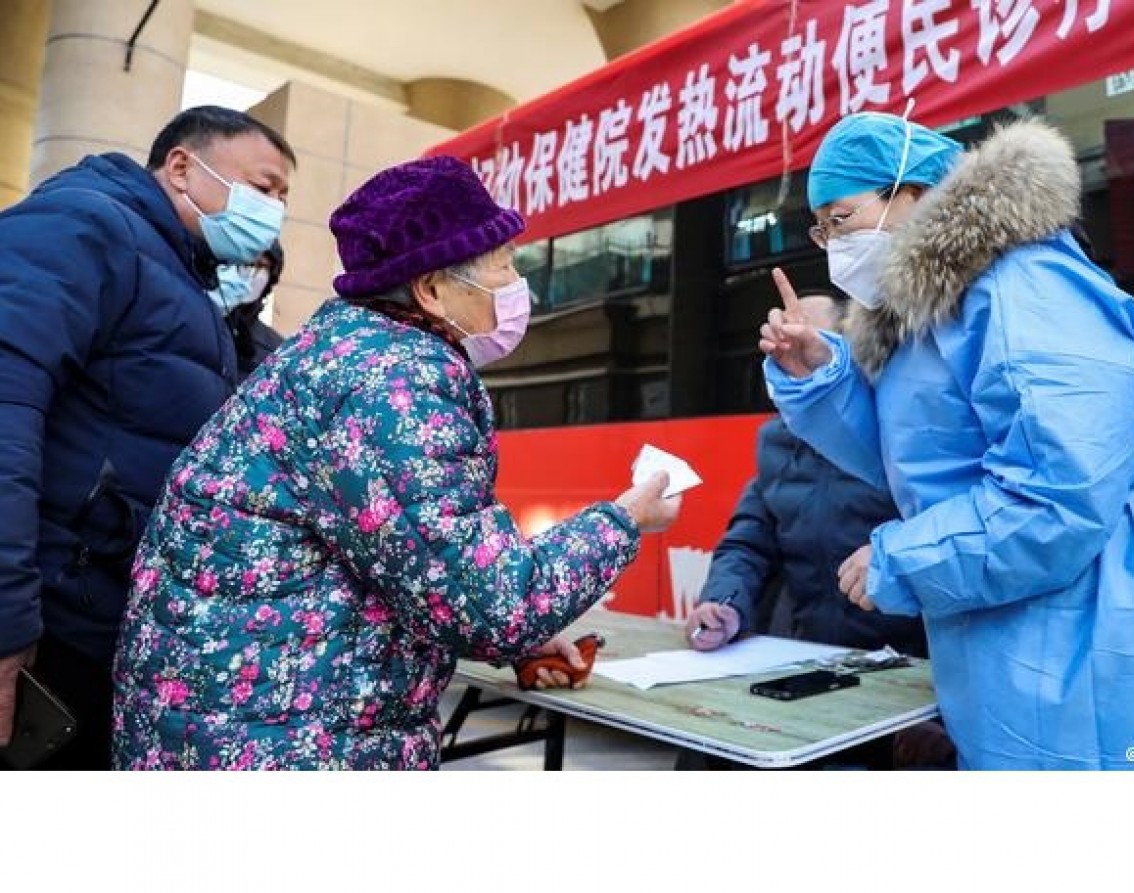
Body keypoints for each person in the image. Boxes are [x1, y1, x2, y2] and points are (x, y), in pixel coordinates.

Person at [111, 156, 681, 770]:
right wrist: (624, 520)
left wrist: (514, 639)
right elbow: (493, 604)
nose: (520, 288)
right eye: (505, 266)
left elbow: (412, 568)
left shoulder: (344, 354)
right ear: (431, 289)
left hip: (240, 727)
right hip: (285, 744)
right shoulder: (394, 383)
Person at [758, 111, 1134, 770]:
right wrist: (823, 377)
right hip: (1025, 620)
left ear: (910, 193)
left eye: (841, 219)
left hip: (1104, 622)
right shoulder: (933, 310)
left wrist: (905, 562)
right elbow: (913, 460)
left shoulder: (1025, 287)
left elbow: (1060, 497)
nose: (831, 244)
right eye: (821, 228)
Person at [0, 105, 295, 769]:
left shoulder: (183, 279)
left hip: (102, 623)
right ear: (183, 167)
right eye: (264, 185)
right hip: (49, 624)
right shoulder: (84, 225)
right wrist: (7, 617)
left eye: (283, 198)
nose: (274, 209)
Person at [685, 292, 926, 660]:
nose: (796, 356)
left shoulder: (895, 435)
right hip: (813, 658)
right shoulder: (776, 442)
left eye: (810, 342)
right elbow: (749, 543)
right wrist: (723, 603)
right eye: (784, 347)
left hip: (906, 665)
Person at [214, 239, 286, 377]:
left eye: (261, 266)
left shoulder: (276, 350)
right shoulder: (196, 318)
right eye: (245, 264)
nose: (251, 272)